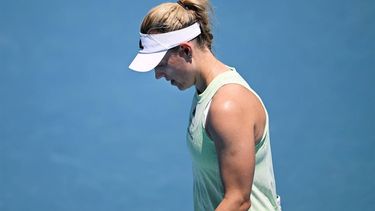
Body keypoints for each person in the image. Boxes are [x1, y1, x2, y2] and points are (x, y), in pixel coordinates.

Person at [129, 0, 281, 210]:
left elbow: (238, 201)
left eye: (161, 64)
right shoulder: (205, 93)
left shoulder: (227, 106)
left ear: (185, 50)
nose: (158, 75)